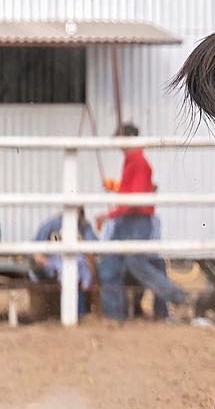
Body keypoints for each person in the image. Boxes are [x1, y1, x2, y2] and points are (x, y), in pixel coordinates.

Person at [96, 123, 190, 322]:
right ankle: (117, 315)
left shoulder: (137, 162)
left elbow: (135, 200)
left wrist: (110, 215)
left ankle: (177, 297)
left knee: (128, 263)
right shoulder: (134, 161)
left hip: (135, 221)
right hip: (133, 220)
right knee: (117, 265)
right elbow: (133, 193)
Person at [31, 209, 99, 315]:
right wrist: (44, 261)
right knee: (69, 271)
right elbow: (37, 252)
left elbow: (90, 252)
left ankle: (78, 313)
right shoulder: (52, 224)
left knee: (81, 272)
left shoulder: (84, 226)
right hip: (52, 262)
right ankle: (73, 313)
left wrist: (91, 272)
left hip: (77, 263)